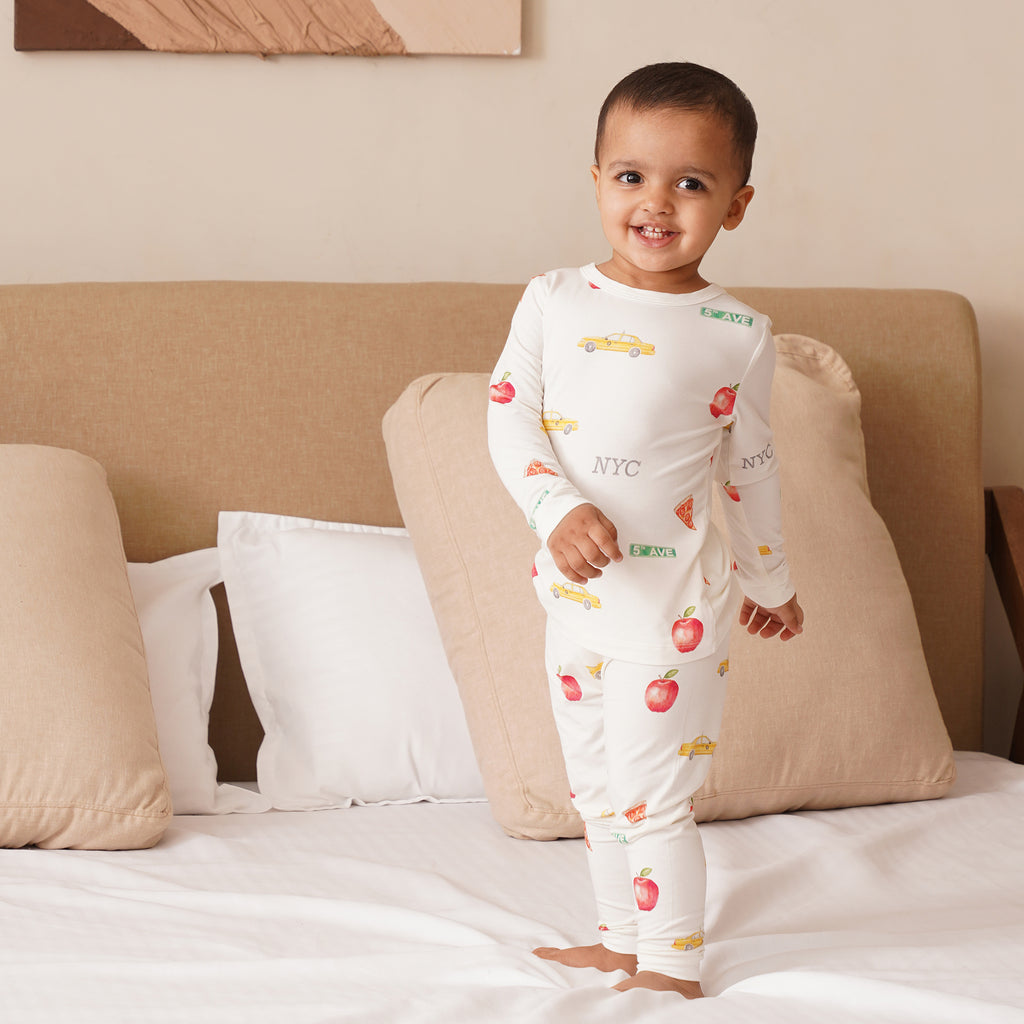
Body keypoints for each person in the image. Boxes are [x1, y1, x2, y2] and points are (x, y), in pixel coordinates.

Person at [486, 62, 804, 998]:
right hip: (577, 604)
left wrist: (773, 585)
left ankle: (671, 961)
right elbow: (510, 419)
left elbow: (750, 473)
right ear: (595, 181)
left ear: (736, 205)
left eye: (691, 184)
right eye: (631, 176)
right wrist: (557, 511)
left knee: (651, 795)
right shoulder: (552, 300)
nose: (656, 203)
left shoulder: (736, 333)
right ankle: (622, 938)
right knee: (592, 788)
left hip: (675, 615)